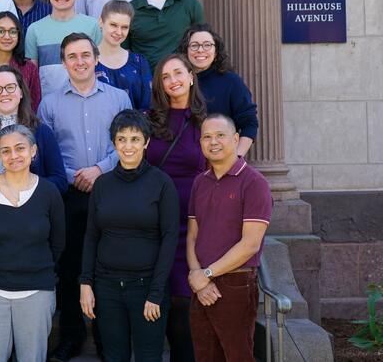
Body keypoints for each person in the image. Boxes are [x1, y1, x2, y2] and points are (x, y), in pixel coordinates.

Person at [39, 33, 132, 361]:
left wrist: (100, 169)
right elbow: (47, 151)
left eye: (85, 55)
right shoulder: (49, 103)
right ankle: (71, 336)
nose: (79, 62)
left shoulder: (119, 98)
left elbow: (127, 141)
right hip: (67, 195)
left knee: (108, 267)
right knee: (69, 268)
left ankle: (109, 340)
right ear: (64, 63)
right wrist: (73, 177)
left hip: (110, 190)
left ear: (96, 58)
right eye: (72, 57)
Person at [80, 109, 179, 362]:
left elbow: (169, 239)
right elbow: (92, 236)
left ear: (146, 142)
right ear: (114, 143)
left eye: (135, 139)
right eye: (121, 139)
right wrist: (86, 284)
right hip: (107, 288)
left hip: (146, 289)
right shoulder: (102, 185)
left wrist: (156, 294)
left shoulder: (162, 183)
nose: (128, 146)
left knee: (148, 356)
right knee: (113, 356)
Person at [0, 124, 66, 362]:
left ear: (33, 151)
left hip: (37, 290)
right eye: (6, 151)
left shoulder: (49, 193)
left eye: (20, 148)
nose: (13, 156)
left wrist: (37, 269)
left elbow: (58, 243)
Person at [187, 114, 272, 362]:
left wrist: (206, 275)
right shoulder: (199, 182)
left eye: (220, 135)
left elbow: (250, 244)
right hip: (201, 284)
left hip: (236, 282)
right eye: (207, 137)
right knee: (205, 355)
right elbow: (192, 235)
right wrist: (197, 276)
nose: (213, 142)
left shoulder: (254, 183)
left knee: (237, 356)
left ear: (236, 139)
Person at [146, 53, 208, 362]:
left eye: (178, 73)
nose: (173, 81)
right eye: (165, 77)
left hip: (196, 224)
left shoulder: (206, 121)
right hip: (159, 221)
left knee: (186, 299)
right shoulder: (149, 119)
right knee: (166, 297)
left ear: (191, 76)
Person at [0, 65, 67, 199]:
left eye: (10, 87)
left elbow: (60, 181)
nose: (4, 93)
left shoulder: (42, 132)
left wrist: (25, 192)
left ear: (21, 92)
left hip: (34, 213)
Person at [176, 24, 258, 156]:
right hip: (183, 162)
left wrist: (235, 159)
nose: (200, 50)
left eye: (207, 45)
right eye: (194, 45)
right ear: (186, 50)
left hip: (219, 161)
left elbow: (249, 124)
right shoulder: (177, 81)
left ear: (216, 51)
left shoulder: (231, 82)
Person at [25, 0, 102, 97]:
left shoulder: (92, 26)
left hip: (87, 100)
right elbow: (31, 77)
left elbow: (100, 70)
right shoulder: (34, 30)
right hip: (47, 105)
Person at [0, 11, 42, 111]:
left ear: (18, 37)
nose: (7, 36)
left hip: (23, 125)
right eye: (1, 31)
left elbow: (35, 105)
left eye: (13, 32)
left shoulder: (29, 68)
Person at [94, 0, 152, 110]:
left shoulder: (139, 63)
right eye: (113, 25)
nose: (119, 32)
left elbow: (147, 105)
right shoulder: (87, 61)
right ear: (101, 22)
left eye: (124, 27)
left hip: (134, 126)